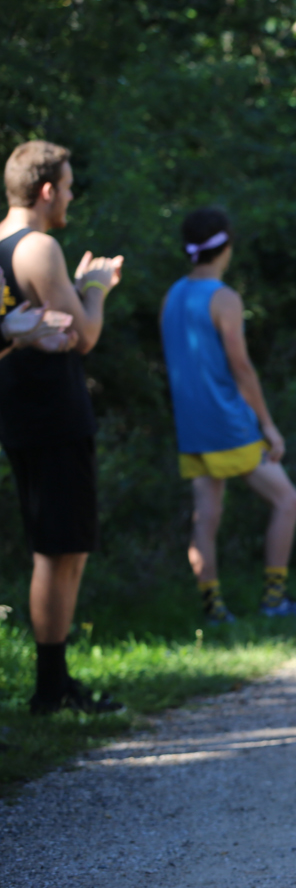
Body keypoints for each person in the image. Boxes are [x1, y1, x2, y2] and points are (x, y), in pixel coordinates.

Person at [0, 140, 125, 715]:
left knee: (65, 547)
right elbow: (84, 335)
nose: (71, 196)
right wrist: (96, 287)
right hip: (52, 414)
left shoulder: (3, 243)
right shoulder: (40, 246)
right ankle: (50, 690)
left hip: (24, 412)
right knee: (58, 549)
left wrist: (75, 294)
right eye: (69, 187)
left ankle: (57, 683)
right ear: (47, 190)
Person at [160, 207, 296, 624]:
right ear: (225, 246)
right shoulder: (223, 298)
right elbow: (242, 368)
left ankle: (213, 607)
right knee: (289, 500)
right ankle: (274, 598)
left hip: (191, 426)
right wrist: (268, 425)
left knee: (207, 516)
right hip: (228, 424)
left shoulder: (173, 295)